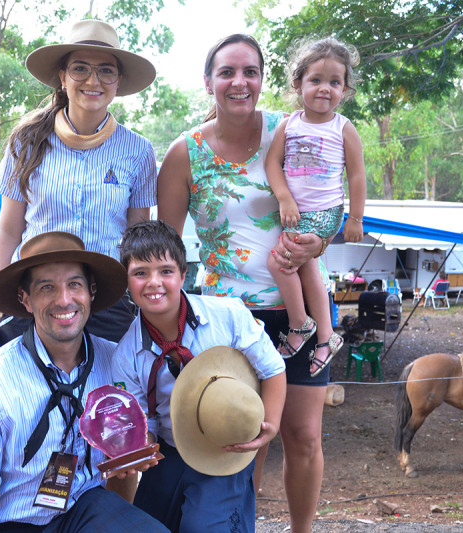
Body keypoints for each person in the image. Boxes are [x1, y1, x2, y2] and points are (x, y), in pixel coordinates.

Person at [156, 33, 341, 533]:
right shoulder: (184, 153)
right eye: (227, 72)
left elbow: (329, 205)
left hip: (298, 311)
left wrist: (318, 245)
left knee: (302, 437)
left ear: (262, 79)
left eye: (250, 72)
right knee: (242, 437)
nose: (239, 82)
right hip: (227, 320)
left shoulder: (295, 129)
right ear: (208, 82)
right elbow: (165, 249)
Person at [0, 231, 168, 533]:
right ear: (25, 299)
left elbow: (123, 467)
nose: (64, 300)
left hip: (86, 509)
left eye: (74, 285)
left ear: (91, 291)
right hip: (18, 523)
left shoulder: (117, 363)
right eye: (46, 287)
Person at [0, 19, 158, 350]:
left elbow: (137, 237)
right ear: (62, 76)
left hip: (108, 301)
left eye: (106, 71)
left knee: (109, 397)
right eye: (80, 68)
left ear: (119, 80)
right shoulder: (27, 142)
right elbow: (9, 230)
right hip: (38, 298)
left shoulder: (138, 151)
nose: (93, 80)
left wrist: (147, 306)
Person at [112, 220, 286, 533]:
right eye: (140, 273)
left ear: (183, 274)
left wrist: (269, 426)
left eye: (165, 271)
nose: (154, 282)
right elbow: (144, 422)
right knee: (147, 527)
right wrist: (139, 448)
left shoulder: (227, 315)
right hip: (168, 450)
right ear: (127, 281)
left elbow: (272, 368)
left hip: (224, 447)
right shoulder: (126, 355)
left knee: (205, 527)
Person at [264, 37, 365, 375]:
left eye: (335, 82)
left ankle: (299, 324)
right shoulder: (289, 125)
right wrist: (284, 197)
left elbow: (357, 177)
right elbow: (272, 165)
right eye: (316, 80)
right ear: (298, 84)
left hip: (325, 214)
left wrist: (355, 218)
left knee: (279, 262)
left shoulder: (343, 128)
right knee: (305, 270)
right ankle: (326, 337)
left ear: (345, 90)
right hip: (295, 212)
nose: (325, 89)